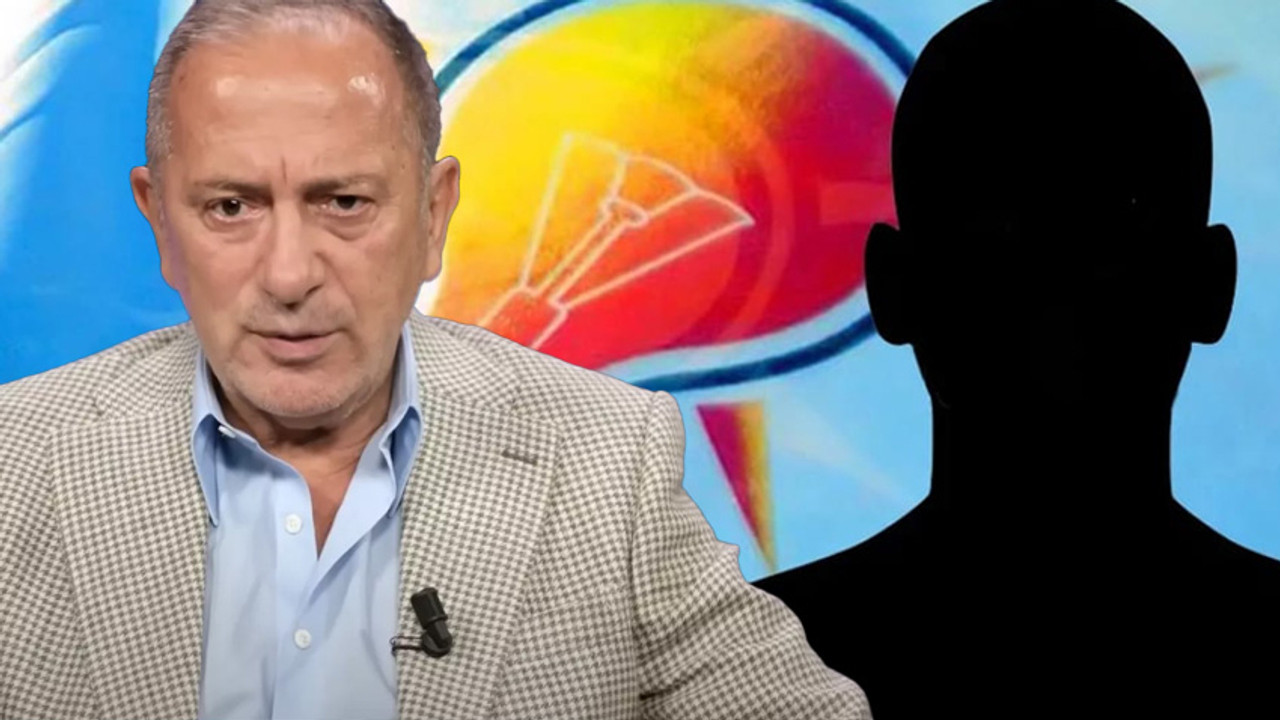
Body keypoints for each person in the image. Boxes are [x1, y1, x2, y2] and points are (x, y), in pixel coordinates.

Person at [0, 1, 868, 718]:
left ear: (432, 214)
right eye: (231, 207)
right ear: (160, 221)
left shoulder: (603, 458)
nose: (290, 274)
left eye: (344, 202)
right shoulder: (16, 462)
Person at [755, 0, 1280, 717]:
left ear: (891, 287)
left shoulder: (750, 668)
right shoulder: (746, 668)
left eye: (1109, 224)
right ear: (1213, 285)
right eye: (997, 228)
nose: (1055, 278)